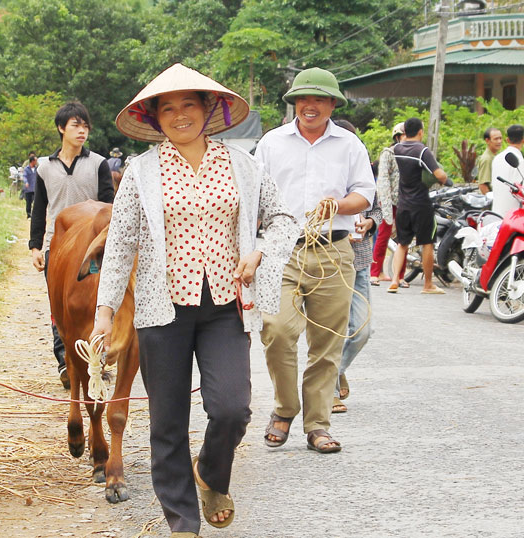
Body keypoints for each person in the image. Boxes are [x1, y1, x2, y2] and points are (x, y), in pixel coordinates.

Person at [91, 63, 297, 538]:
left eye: (189, 105)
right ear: (156, 118)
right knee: (167, 422)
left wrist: (260, 249)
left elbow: (283, 217)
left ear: (208, 110)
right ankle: (183, 523)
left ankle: (211, 474)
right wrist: (104, 315)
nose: (180, 115)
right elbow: (120, 247)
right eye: (168, 108)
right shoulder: (141, 173)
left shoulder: (244, 166)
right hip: (163, 312)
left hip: (225, 306)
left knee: (232, 407)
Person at [254, 67, 375, 454]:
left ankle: (318, 424)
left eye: (320, 99)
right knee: (276, 330)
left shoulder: (349, 145)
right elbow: (253, 195)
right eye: (304, 99)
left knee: (327, 343)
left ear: (332, 104)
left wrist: (337, 205)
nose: (311, 106)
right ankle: (285, 408)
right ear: (294, 103)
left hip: (333, 249)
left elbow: (364, 194)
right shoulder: (272, 143)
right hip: (283, 249)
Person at [29, 101, 114, 388]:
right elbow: (39, 208)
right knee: (59, 306)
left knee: (95, 304)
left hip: (93, 248)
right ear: (61, 128)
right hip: (59, 245)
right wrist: (35, 246)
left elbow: (108, 206)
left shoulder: (99, 164)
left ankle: (95, 359)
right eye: (76, 125)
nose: (82, 131)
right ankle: (65, 361)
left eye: (86, 126)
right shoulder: (44, 167)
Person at [331, 119, 382, 414]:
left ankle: (336, 369)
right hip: (328, 260)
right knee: (331, 329)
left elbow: (378, 206)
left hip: (360, 259)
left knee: (362, 329)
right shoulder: (320, 171)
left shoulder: (364, 169)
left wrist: (369, 221)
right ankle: (329, 389)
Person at [388, 117, 450, 294]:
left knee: (402, 243)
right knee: (427, 243)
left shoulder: (397, 149)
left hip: (403, 203)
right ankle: (428, 284)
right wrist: (444, 178)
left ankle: (394, 280)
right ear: (421, 131)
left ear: (404, 132)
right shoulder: (422, 151)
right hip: (421, 204)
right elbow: (439, 175)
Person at [370, 122, 407, 286]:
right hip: (389, 201)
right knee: (383, 235)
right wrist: (384, 203)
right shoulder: (389, 154)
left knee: (404, 239)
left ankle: (399, 276)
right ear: (398, 137)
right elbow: (383, 179)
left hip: (406, 201)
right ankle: (375, 272)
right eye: (405, 135)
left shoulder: (413, 153)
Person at [491, 124, 524, 216]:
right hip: (513, 217)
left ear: (507, 140)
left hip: (495, 213)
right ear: (523, 140)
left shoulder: (497, 158)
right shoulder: (520, 162)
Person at [477, 127, 503, 195]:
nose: (499, 141)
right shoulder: (487, 159)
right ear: (487, 140)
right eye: (496, 139)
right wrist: (492, 202)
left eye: (500, 138)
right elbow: (482, 185)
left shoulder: (494, 156)